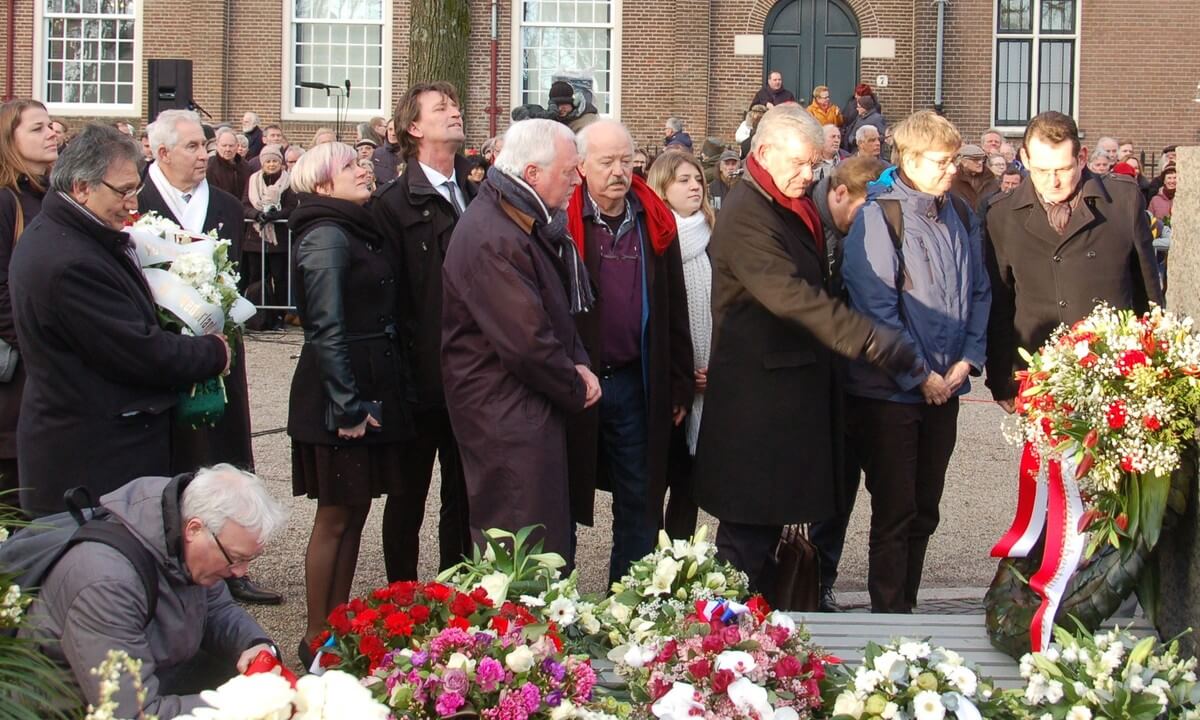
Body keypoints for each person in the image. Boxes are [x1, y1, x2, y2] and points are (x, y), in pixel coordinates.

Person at [692, 105, 919, 590]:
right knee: (746, 540)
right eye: (798, 163)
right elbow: (792, 297)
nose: (808, 174)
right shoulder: (748, 214)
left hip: (787, 396)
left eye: (814, 164)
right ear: (764, 151)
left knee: (766, 532)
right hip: (759, 406)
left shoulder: (782, 200)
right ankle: (724, 647)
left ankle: (763, 639)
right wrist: (871, 339)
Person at [10, 123, 230, 517]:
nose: (133, 203)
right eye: (124, 191)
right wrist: (212, 351)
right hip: (93, 460)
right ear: (81, 187)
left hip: (100, 446)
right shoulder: (70, 262)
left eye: (135, 189)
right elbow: (136, 350)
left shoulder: (76, 236)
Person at [842, 110, 990, 614]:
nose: (953, 169)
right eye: (941, 161)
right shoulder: (880, 216)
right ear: (907, 158)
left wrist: (968, 359)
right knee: (895, 511)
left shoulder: (962, 214)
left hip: (947, 386)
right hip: (890, 393)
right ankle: (888, 618)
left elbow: (979, 291)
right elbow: (875, 308)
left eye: (955, 159)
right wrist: (919, 374)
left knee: (926, 508)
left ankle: (907, 603)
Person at [442, 119, 600, 560]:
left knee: (539, 535)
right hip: (505, 413)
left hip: (520, 407)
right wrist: (575, 383)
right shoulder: (494, 234)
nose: (577, 179)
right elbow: (526, 339)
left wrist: (579, 362)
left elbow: (555, 310)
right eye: (569, 170)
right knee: (521, 546)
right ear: (532, 173)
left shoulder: (521, 220)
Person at [138, 110, 276, 605]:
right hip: (164, 349)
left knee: (223, 444)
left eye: (205, 145)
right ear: (162, 152)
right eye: (194, 146)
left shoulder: (222, 202)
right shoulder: (138, 200)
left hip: (218, 346)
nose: (204, 155)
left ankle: (231, 564)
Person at [18, 467, 285, 718]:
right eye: (236, 558)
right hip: (70, 709)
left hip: (156, 677)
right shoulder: (106, 584)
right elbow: (131, 713)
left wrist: (254, 644)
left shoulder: (183, 531)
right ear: (194, 529)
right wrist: (241, 705)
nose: (240, 572)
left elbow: (217, 609)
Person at [287, 141, 412, 666]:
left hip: (365, 379)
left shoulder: (354, 225)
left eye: (363, 164)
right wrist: (347, 406)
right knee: (335, 514)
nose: (364, 170)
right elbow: (327, 326)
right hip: (338, 391)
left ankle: (336, 621)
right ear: (322, 184)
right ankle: (317, 634)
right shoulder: (324, 234)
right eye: (350, 166)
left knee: (355, 509)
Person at [565, 120, 693, 582]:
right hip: (575, 382)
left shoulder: (654, 218)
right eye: (606, 162)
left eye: (626, 160)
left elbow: (673, 305)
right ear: (581, 167)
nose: (619, 171)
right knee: (563, 499)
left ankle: (629, 605)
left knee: (640, 500)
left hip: (636, 381)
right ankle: (563, 609)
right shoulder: (561, 221)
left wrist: (677, 379)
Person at [984, 111, 1162, 411]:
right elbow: (1000, 301)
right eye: (1041, 170)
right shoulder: (1001, 215)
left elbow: (1148, 292)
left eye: (1063, 169)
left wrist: (1155, 364)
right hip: (1041, 369)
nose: (1052, 181)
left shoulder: (1123, 202)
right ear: (1024, 159)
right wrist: (1002, 378)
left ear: (1081, 157)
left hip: (1113, 369)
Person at [369, 81, 474, 582]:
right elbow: (383, 300)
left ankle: (457, 594)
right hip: (414, 381)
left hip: (469, 377)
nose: (455, 113)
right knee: (407, 497)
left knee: (466, 497)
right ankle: (403, 598)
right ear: (414, 128)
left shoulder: (476, 196)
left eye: (455, 105)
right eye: (441, 108)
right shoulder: (391, 204)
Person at [806, 154, 888, 610]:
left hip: (853, 378)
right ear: (839, 194)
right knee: (822, 488)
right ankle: (807, 578)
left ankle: (823, 578)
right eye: (861, 212)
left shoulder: (851, 228)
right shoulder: (810, 226)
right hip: (817, 379)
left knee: (844, 488)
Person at [645, 151, 713, 541]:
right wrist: (679, 377)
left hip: (707, 384)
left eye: (698, 180)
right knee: (654, 487)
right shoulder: (654, 238)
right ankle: (650, 570)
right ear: (663, 187)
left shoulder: (713, 235)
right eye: (684, 180)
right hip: (668, 385)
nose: (694, 187)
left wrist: (714, 367)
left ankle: (682, 570)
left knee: (690, 488)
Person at [0, 99, 58, 509]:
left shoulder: (52, 197)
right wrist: (38, 346)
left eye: (51, 125)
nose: (52, 132)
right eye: (37, 128)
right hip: (18, 372)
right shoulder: (6, 202)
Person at [242, 144, 297, 329]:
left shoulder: (288, 182)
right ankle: (256, 315)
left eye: (275, 161)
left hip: (278, 240)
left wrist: (276, 215)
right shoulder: (253, 181)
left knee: (280, 278)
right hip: (255, 238)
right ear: (262, 163)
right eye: (268, 161)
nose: (271, 164)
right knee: (256, 277)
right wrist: (256, 215)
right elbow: (244, 204)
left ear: (280, 163)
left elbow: (291, 207)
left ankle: (279, 315)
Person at [949, 143, 1000, 211]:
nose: (980, 163)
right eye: (975, 160)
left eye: (982, 159)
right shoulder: (952, 182)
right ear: (963, 162)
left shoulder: (992, 180)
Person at [206, 126, 252, 200]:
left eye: (231, 146)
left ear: (237, 146)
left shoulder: (245, 167)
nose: (228, 149)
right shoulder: (210, 167)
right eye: (224, 146)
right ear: (217, 146)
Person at [372, 118, 403, 185]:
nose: (393, 133)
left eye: (396, 130)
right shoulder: (377, 153)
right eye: (390, 129)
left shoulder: (410, 154)